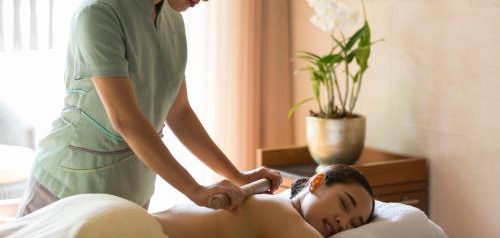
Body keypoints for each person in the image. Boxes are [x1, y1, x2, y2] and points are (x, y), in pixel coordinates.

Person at [17, 0, 281, 217]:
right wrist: (194, 189)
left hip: (131, 191)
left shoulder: (171, 17)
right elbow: (125, 119)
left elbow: (179, 111)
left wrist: (238, 176)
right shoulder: (100, 12)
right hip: (69, 188)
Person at [1, 165, 374, 238]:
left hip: (101, 210)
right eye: (344, 205)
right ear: (317, 182)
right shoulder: (283, 215)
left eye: (355, 224)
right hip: (130, 228)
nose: (343, 223)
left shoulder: (262, 203)